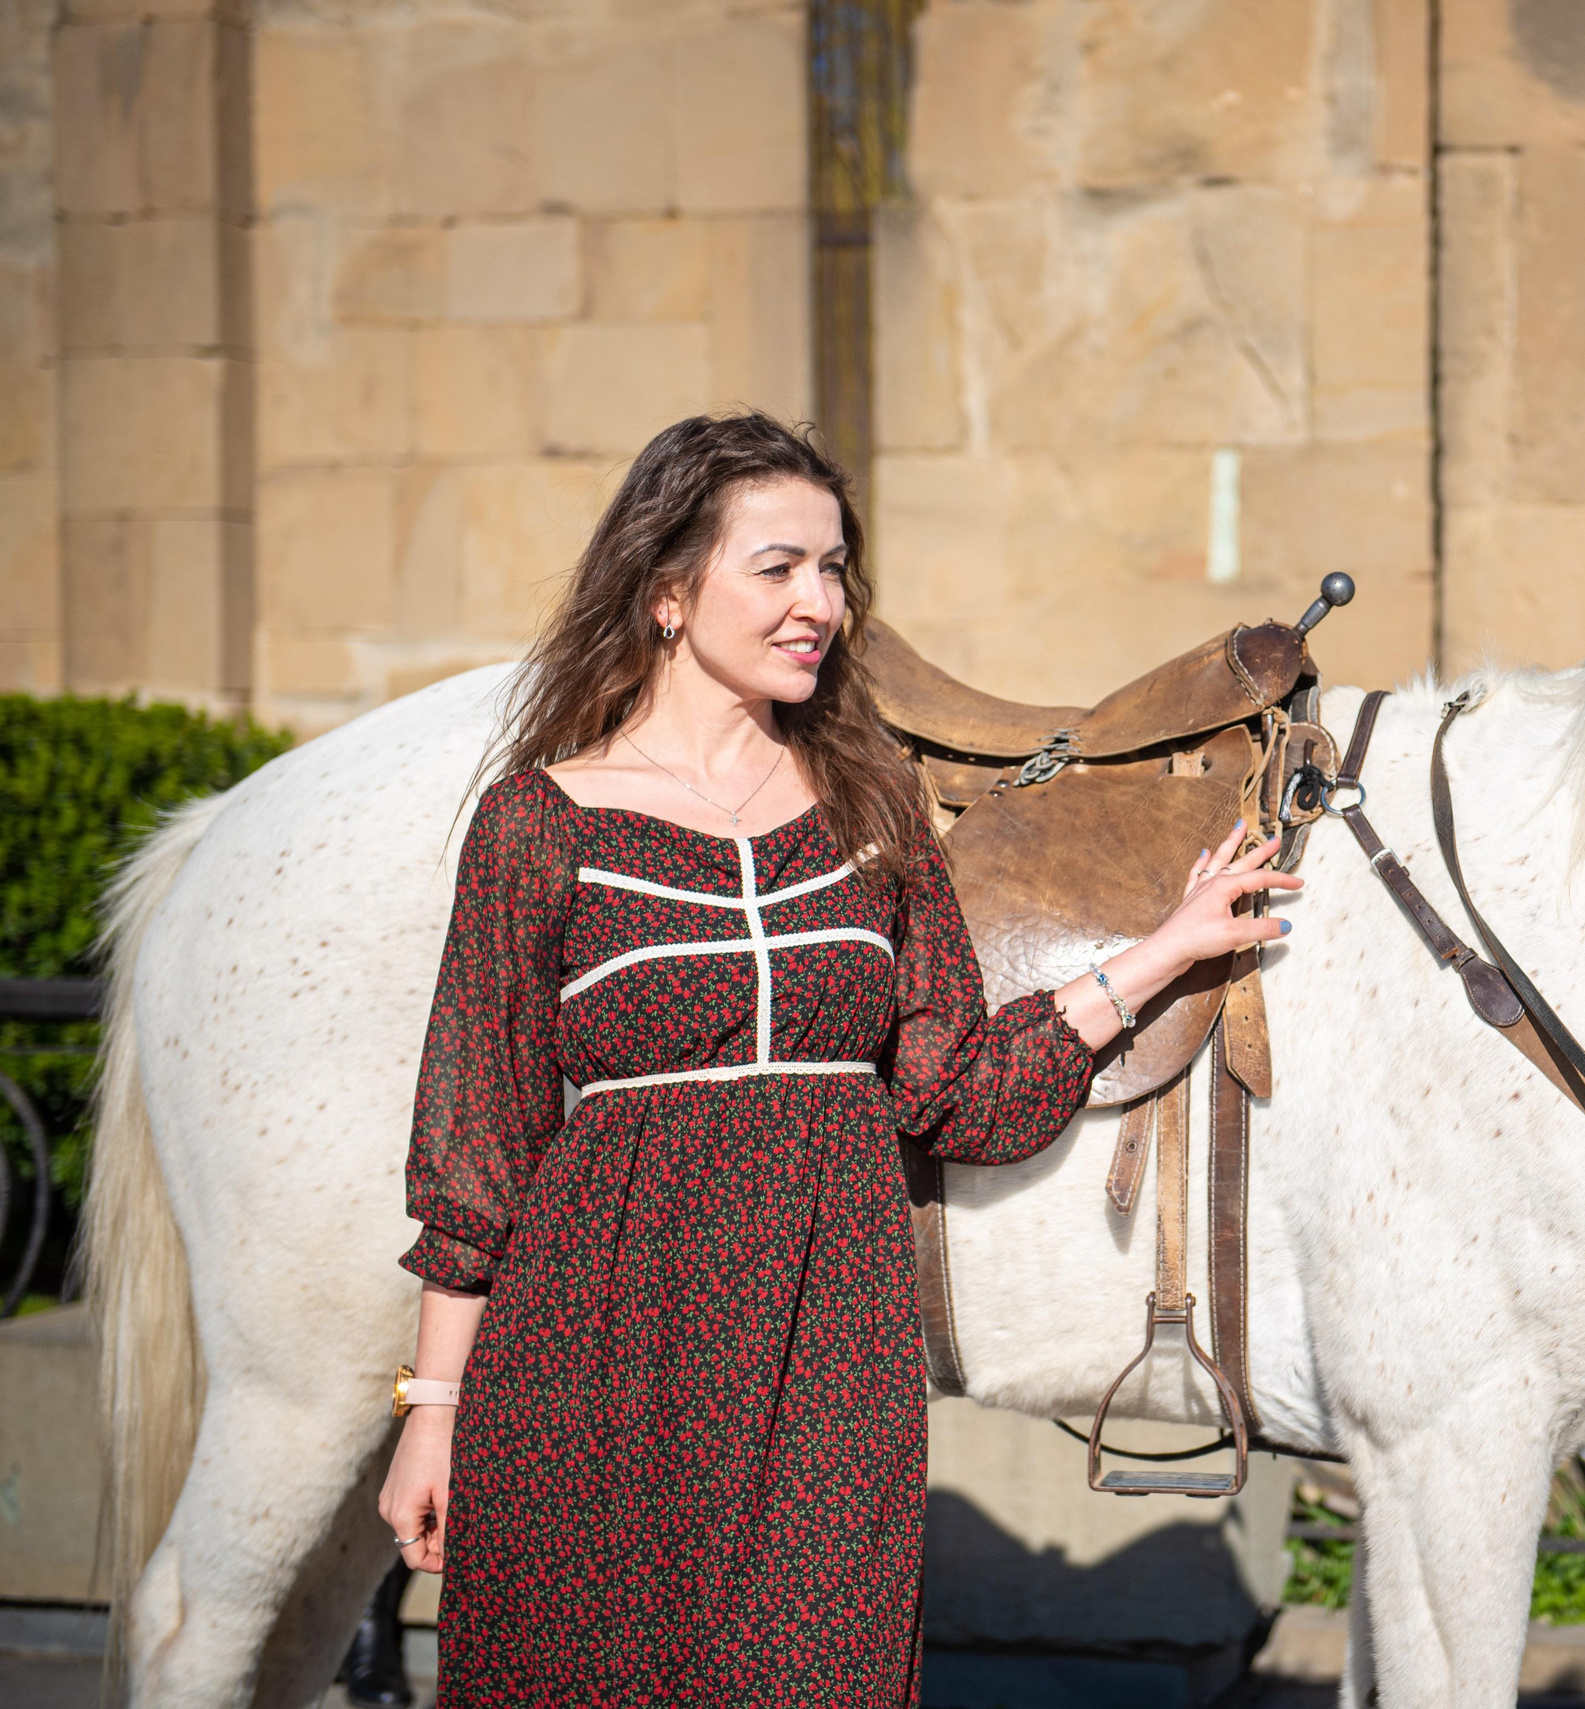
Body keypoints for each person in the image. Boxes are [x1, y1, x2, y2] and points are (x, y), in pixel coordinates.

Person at [375, 412, 1297, 1704]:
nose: (822, 601)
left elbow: (954, 1085)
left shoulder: (868, 812)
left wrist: (1159, 954)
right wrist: (436, 1408)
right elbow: (478, 1142)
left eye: (835, 568)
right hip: (594, 1364)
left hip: (829, 1368)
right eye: (780, 567)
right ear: (667, 591)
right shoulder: (539, 824)